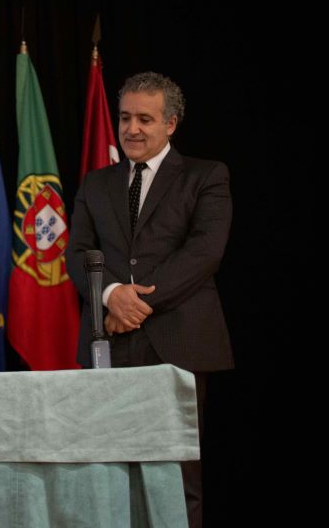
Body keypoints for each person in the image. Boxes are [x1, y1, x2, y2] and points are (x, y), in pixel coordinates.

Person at [69, 71, 233, 528]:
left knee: (179, 476)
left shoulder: (206, 176)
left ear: (171, 124)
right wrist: (111, 295)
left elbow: (204, 253)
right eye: (125, 118)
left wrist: (135, 304)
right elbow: (77, 253)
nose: (132, 129)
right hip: (109, 344)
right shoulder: (95, 183)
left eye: (145, 118)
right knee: (107, 471)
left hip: (180, 343)